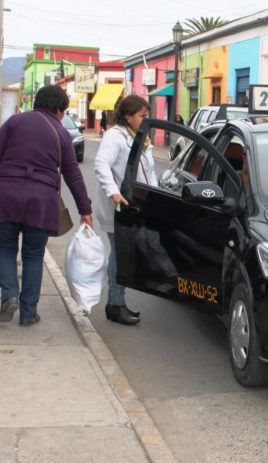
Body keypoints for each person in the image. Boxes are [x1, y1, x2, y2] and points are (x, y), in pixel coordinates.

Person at [0, 85, 93, 326]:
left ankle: (9, 295)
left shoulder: (14, 122)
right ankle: (28, 313)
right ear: (58, 110)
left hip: (4, 197)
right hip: (40, 201)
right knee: (33, 255)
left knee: (4, 247)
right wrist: (84, 209)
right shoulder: (61, 133)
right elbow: (73, 175)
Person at [94, 95, 157, 325]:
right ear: (128, 116)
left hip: (133, 205)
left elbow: (149, 170)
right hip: (118, 206)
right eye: (142, 116)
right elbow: (101, 164)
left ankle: (116, 303)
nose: (145, 120)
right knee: (121, 255)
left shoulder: (140, 137)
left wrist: (155, 195)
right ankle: (115, 304)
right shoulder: (115, 136)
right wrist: (114, 193)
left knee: (123, 254)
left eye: (147, 115)